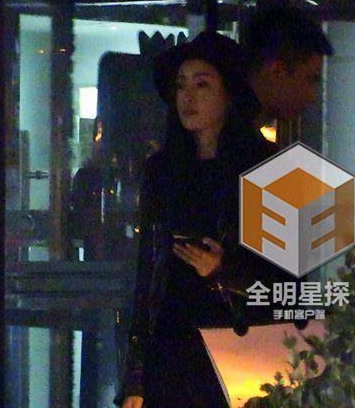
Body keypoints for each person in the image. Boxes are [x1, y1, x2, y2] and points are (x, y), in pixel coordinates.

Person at [115, 31, 294, 408]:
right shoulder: (162, 170)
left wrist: (224, 270)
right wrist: (136, 377)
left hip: (241, 352)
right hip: (172, 351)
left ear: (229, 93)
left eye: (202, 84)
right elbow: (148, 275)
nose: (188, 97)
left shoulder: (271, 167)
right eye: (181, 85)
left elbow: (292, 285)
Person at [242, 6, 334, 124]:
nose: (313, 97)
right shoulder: (231, 131)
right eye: (310, 80)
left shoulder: (230, 124)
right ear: (276, 72)